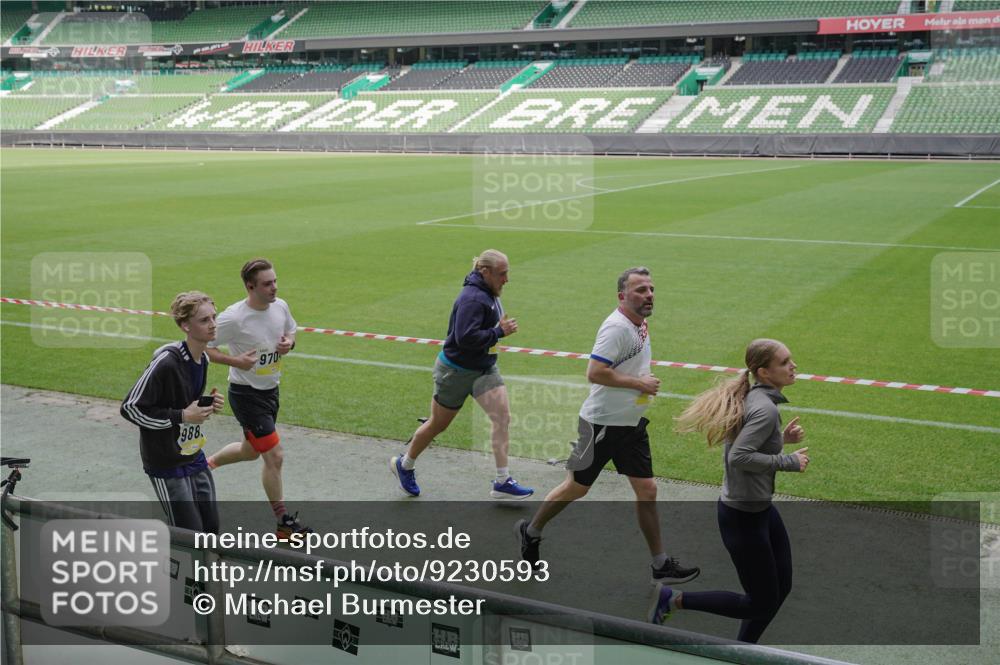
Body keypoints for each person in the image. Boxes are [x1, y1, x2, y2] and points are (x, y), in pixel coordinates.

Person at [516, 267, 699, 584]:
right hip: (601, 423)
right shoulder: (616, 328)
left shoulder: (639, 324)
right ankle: (531, 531)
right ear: (622, 296)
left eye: (651, 288)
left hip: (631, 423)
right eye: (640, 289)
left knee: (647, 490)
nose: (649, 294)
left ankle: (660, 563)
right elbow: (595, 372)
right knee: (577, 488)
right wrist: (639, 384)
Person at [648, 338, 808, 644]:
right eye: (785, 362)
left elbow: (742, 444)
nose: (793, 366)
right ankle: (674, 599)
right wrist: (788, 460)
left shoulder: (755, 397)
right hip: (743, 517)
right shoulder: (765, 409)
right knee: (760, 601)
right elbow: (739, 457)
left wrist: (780, 440)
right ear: (763, 372)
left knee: (779, 588)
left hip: (760, 511)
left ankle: (744, 650)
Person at [390, 249, 533, 500]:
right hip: (456, 372)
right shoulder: (473, 298)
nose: (506, 279)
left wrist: (496, 332)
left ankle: (502, 480)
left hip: (484, 368)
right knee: (437, 425)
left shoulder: (489, 293)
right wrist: (499, 333)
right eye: (502, 274)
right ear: (484, 271)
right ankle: (404, 465)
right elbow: (464, 338)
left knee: (502, 417)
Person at [205, 258, 311, 538]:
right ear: (250, 287)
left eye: (275, 281)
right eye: (267, 284)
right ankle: (283, 523)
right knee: (274, 456)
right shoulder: (233, 318)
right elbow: (206, 348)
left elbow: (291, 328)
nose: (274, 288)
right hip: (246, 395)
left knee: (250, 451)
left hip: (271, 392)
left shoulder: (280, 306)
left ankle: (204, 466)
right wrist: (235, 361)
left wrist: (290, 343)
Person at [121, 291, 224, 533]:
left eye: (214, 317)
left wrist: (206, 404)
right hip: (166, 462)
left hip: (193, 455)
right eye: (204, 320)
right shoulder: (167, 362)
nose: (213, 325)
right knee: (189, 533)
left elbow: (184, 403)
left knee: (210, 528)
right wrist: (183, 416)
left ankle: (206, 571)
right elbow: (131, 408)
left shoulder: (203, 360)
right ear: (185, 326)